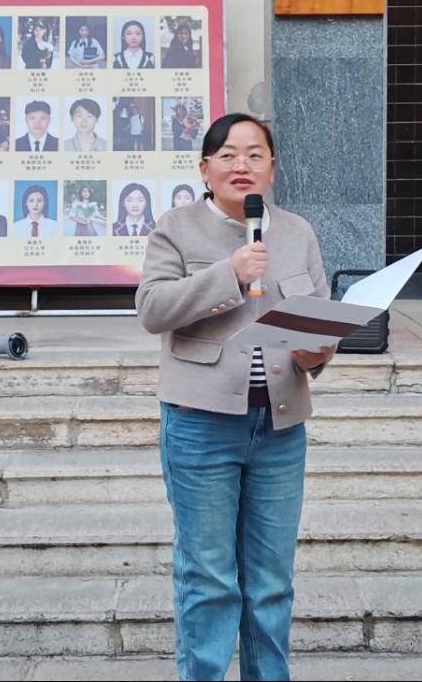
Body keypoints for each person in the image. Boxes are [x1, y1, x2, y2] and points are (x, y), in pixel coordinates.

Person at [135, 113, 333, 681]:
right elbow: (152, 310)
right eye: (227, 155)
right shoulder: (176, 228)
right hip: (201, 425)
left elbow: (320, 319)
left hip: (280, 428)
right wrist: (229, 272)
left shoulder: (297, 232)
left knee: (271, 581)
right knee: (209, 578)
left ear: (272, 167)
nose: (241, 165)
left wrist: (317, 353)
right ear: (205, 169)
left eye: (254, 154)